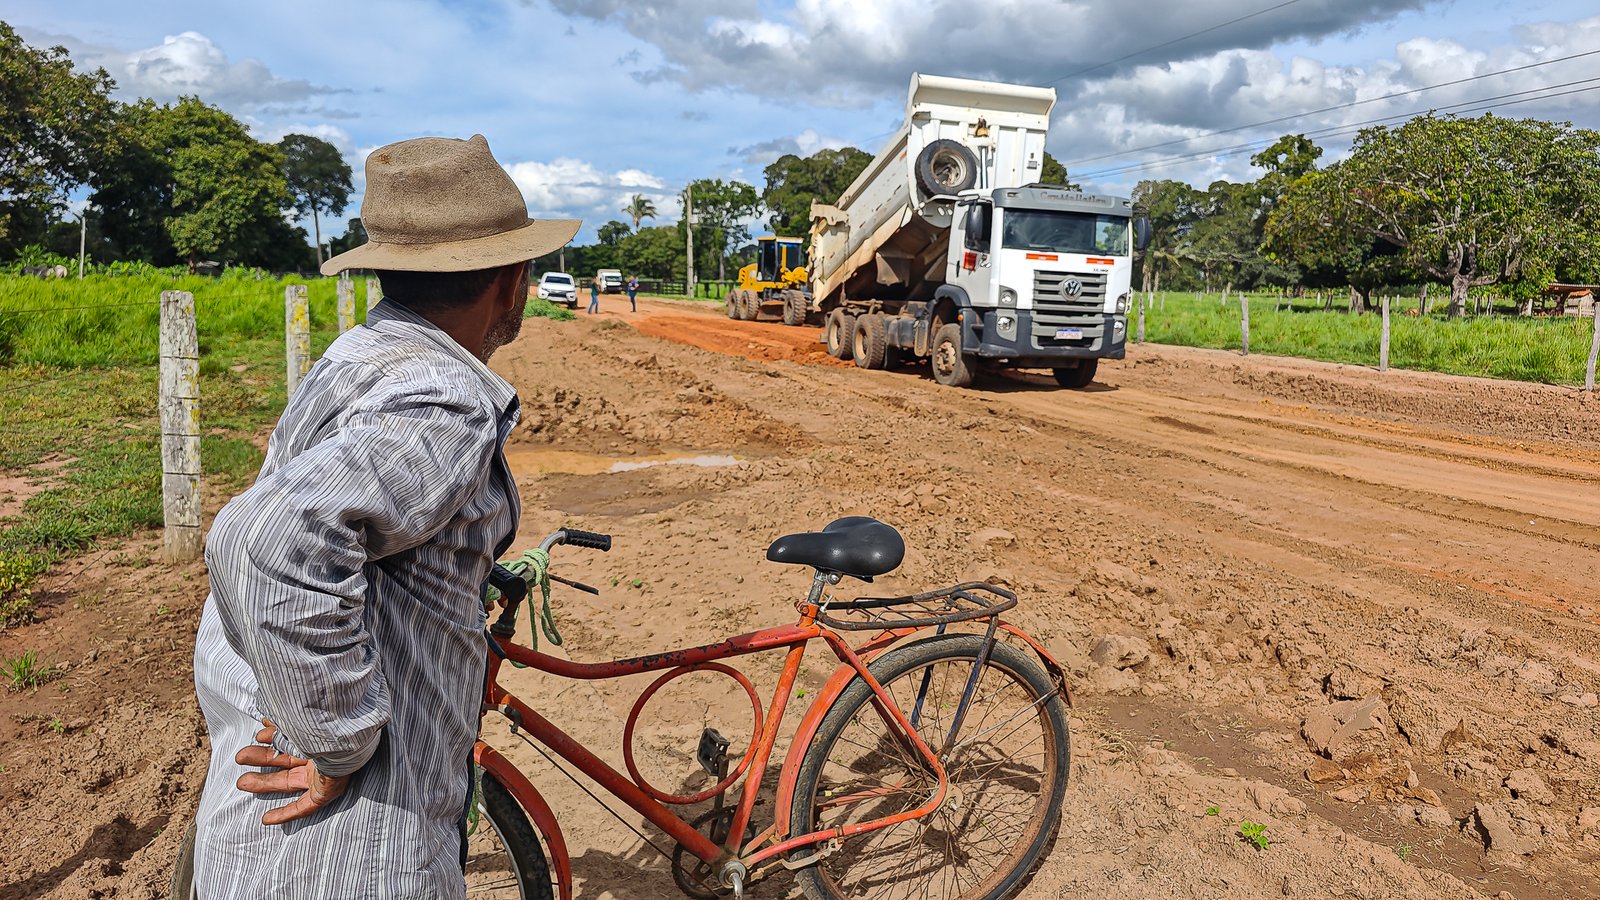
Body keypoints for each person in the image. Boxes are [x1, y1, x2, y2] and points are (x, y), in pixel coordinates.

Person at [187, 134, 578, 899]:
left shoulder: (361, 353)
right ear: (511, 278)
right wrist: (336, 740)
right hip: (354, 851)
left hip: (267, 838)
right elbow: (267, 540)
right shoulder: (446, 400)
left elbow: (345, 527)